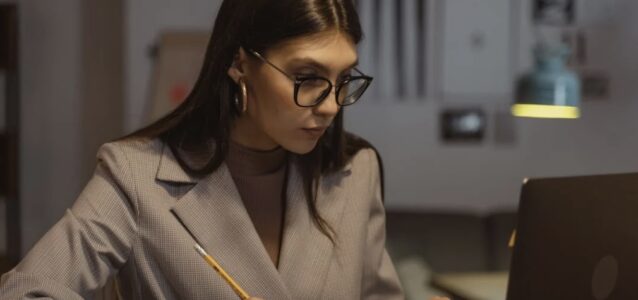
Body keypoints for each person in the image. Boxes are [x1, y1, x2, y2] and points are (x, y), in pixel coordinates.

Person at [0, 0, 406, 299]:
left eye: (344, 78)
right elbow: (27, 291)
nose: (332, 104)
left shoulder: (354, 171)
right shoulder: (138, 176)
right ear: (239, 64)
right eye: (307, 77)